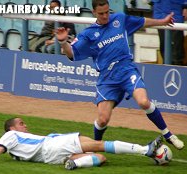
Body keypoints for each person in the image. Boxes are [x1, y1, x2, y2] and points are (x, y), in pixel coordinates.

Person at [55, 0, 184, 150]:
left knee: (143, 102)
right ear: (94, 13)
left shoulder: (119, 20)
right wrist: (64, 42)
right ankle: (96, 145)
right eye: (101, 13)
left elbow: (142, 22)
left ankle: (168, 135)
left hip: (126, 70)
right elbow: (71, 54)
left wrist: (162, 21)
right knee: (102, 120)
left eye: (107, 12)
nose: (105, 16)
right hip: (107, 79)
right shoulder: (88, 35)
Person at [0, 117, 163, 170]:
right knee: (97, 145)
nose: (25, 125)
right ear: (11, 129)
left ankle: (74, 163)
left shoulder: (16, 145)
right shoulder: (9, 137)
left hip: (48, 157)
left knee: (100, 158)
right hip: (51, 146)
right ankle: (145, 150)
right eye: (21, 123)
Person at [151, 0, 187, 65]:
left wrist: (186, 7)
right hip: (160, 14)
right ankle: (166, 67)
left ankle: (177, 67)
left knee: (176, 47)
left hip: (175, 14)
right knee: (163, 45)